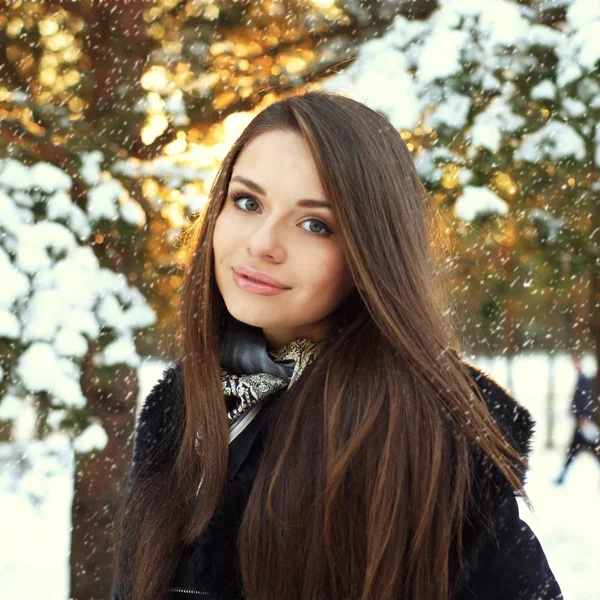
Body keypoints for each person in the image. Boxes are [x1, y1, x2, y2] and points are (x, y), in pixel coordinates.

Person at [111, 90, 563, 600]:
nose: (262, 243)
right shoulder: (184, 404)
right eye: (247, 201)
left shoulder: (419, 433)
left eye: (314, 224)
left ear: (369, 253)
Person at [554, 356, 600, 485]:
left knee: (577, 451)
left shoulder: (583, 380)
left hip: (583, 423)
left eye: (575, 363)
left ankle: (561, 477)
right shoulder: (582, 379)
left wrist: (584, 417)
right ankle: (561, 477)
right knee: (580, 451)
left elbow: (585, 400)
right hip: (582, 422)